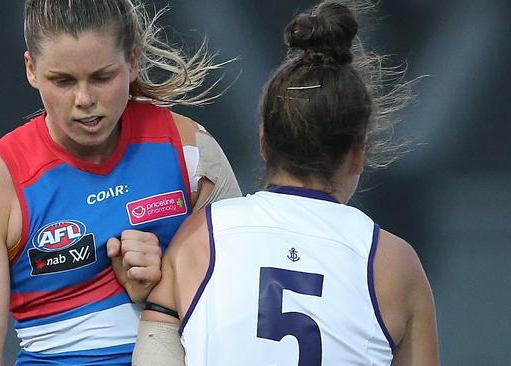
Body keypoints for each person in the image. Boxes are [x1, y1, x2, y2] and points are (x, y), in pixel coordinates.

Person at [0, 0, 241, 365]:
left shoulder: (190, 151)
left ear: (133, 61)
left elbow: (241, 301)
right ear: (31, 69)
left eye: (102, 77)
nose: (84, 100)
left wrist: (160, 290)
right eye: (62, 81)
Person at [133, 1, 439, 365]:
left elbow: (155, 352)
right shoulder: (395, 263)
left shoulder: (201, 236)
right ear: (358, 152)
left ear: (264, 141)